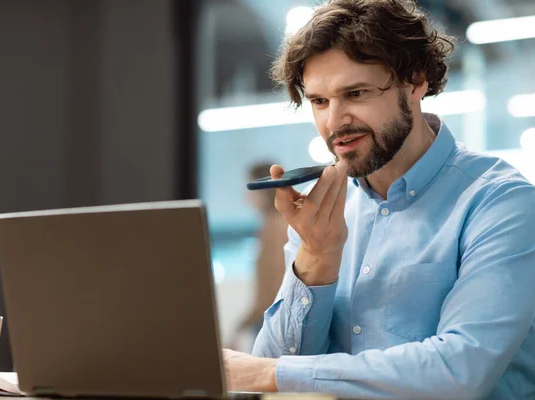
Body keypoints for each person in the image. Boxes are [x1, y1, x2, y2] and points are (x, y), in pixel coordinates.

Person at [222, 0, 535, 398]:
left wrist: (272, 373)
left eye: (355, 92)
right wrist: (316, 258)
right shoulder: (324, 215)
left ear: (416, 81)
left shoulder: (501, 203)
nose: (334, 122)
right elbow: (279, 361)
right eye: (319, 101)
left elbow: (460, 370)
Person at [228, 163, 289, 351]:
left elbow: (273, 290)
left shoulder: (274, 226)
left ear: (263, 190)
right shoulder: (277, 224)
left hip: (272, 323)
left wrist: (240, 326)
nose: (246, 195)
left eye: (249, 187)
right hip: (272, 320)